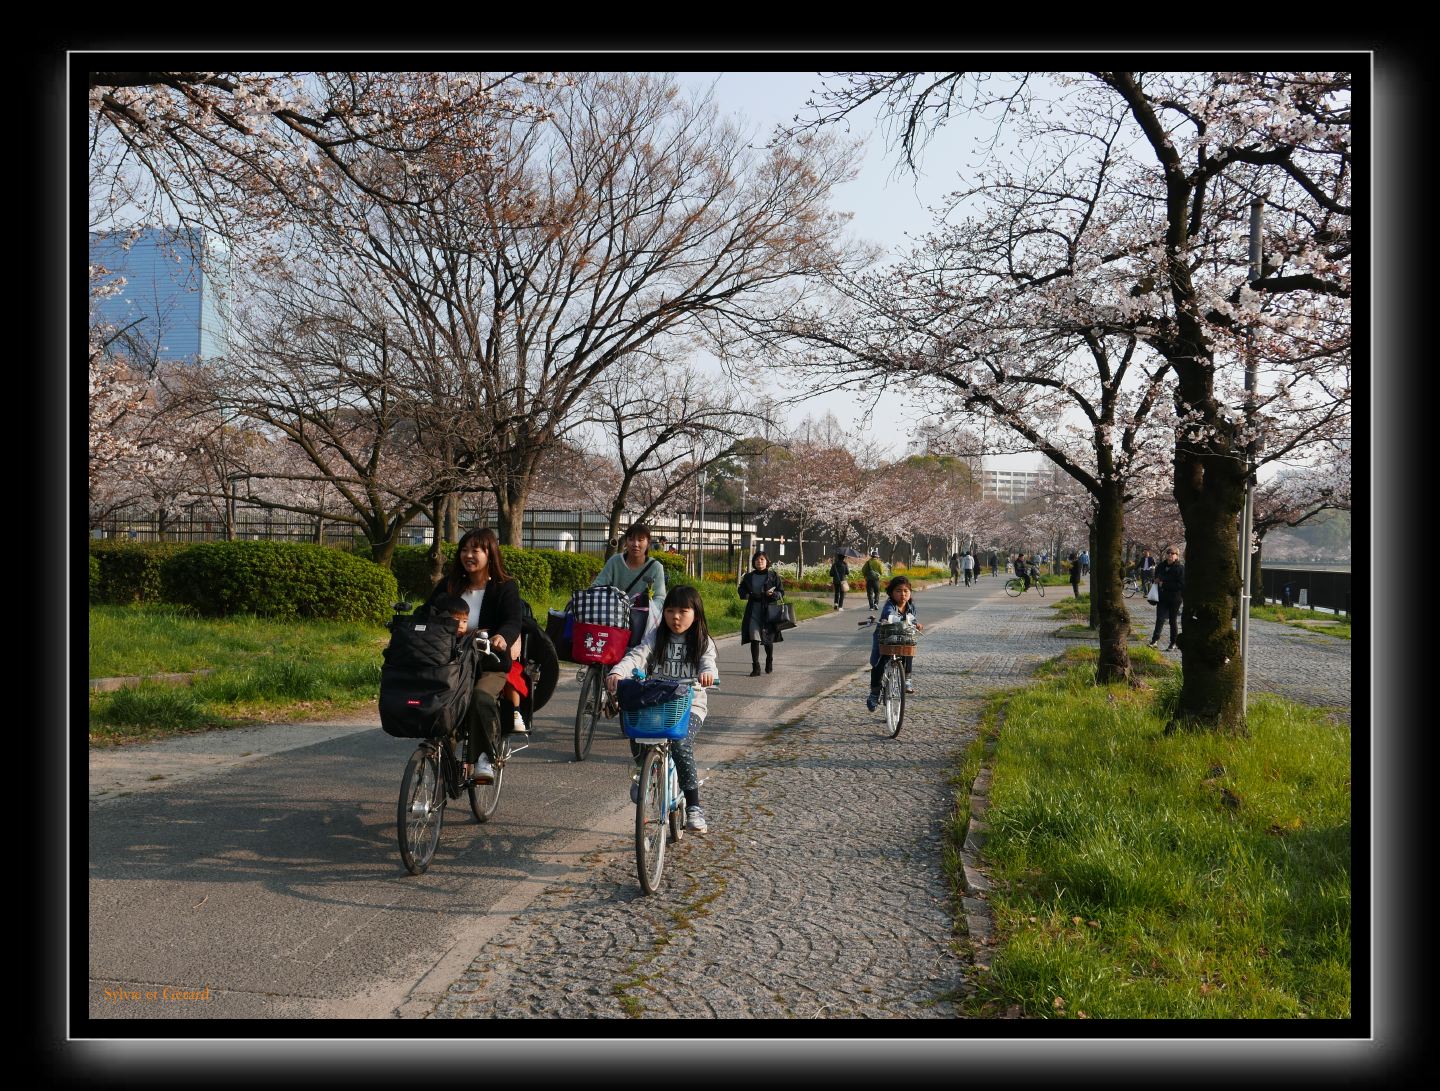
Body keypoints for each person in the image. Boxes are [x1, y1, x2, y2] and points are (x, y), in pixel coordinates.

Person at [607, 585, 719, 833]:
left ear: (696, 614)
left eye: (683, 611)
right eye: (670, 611)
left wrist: (707, 673)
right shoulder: (656, 636)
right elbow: (637, 656)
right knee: (636, 730)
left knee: (680, 744)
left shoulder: (702, 642)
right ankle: (642, 771)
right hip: (657, 701)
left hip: (689, 706)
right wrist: (618, 671)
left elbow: (708, 662)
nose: (675, 617)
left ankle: (694, 807)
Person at [422, 528, 526, 784]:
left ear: (490, 554)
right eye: (464, 550)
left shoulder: (504, 587)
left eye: (475, 550)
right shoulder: (450, 585)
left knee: (480, 696)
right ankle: (442, 759)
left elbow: (513, 620)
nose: (468, 555)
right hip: (452, 661)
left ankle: (484, 758)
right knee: (441, 702)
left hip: (489, 661)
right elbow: (427, 611)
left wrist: (502, 637)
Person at [593, 522, 667, 643]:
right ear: (626, 541)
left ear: (648, 543)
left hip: (643, 625)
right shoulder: (615, 561)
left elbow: (660, 598)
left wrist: (644, 609)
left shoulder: (656, 567)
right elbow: (596, 587)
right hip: (614, 622)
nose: (635, 544)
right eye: (631, 539)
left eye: (640, 540)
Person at [866, 575, 924, 711]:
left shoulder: (911, 606)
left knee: (909, 650)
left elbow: (913, 619)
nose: (902, 594)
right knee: (879, 664)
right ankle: (874, 693)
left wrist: (917, 624)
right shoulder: (890, 605)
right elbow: (889, 615)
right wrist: (902, 620)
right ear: (891, 593)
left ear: (910, 592)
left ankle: (907, 678)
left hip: (903, 638)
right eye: (898, 591)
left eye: (906, 591)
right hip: (885, 639)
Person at [737, 550, 783, 676]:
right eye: (757, 559)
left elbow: (781, 592)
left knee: (768, 639)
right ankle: (756, 667)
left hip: (768, 612)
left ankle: (769, 660)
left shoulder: (773, 576)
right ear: (754, 562)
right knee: (754, 638)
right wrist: (747, 595)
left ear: (767, 561)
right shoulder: (748, 577)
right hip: (753, 611)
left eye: (762, 559)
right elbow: (741, 590)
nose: (759, 561)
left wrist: (773, 594)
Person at [1147, 545, 1185, 651]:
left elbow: (1181, 585)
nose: (1169, 555)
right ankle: (1154, 640)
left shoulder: (1180, 568)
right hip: (1162, 597)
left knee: (1172, 620)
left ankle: (1173, 642)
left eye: (1172, 553)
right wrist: (1155, 580)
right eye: (1168, 553)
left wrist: (1164, 583)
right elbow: (1156, 577)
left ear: (1177, 556)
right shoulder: (1161, 566)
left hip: (1175, 598)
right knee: (1160, 619)